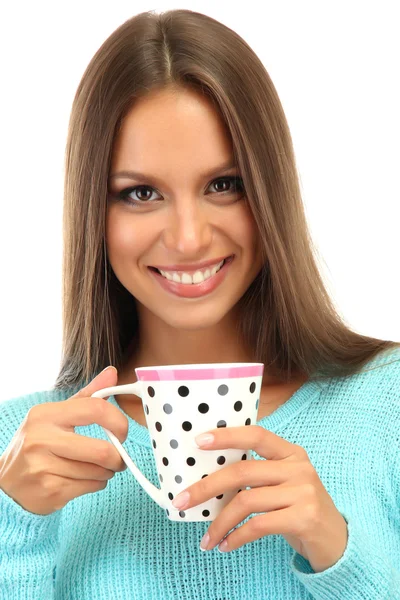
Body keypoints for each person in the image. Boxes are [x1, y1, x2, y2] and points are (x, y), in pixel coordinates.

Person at [0, 8, 399, 600]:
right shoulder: (20, 447)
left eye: (223, 184)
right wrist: (15, 525)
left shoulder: (384, 408)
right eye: (140, 193)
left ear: (270, 189)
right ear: (94, 214)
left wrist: (338, 551)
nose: (188, 238)